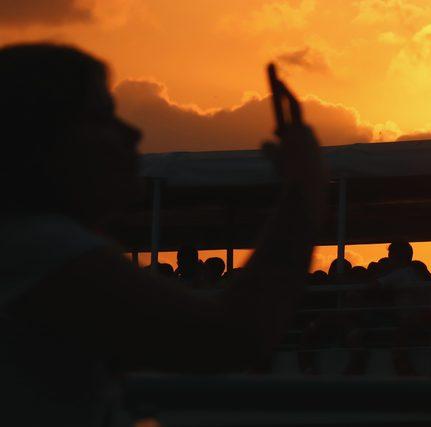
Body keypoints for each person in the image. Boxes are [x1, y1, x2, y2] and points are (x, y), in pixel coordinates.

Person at [0, 44, 326, 426]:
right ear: (43, 140)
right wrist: (305, 188)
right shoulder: (40, 248)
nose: (132, 132)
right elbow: (230, 336)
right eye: (102, 117)